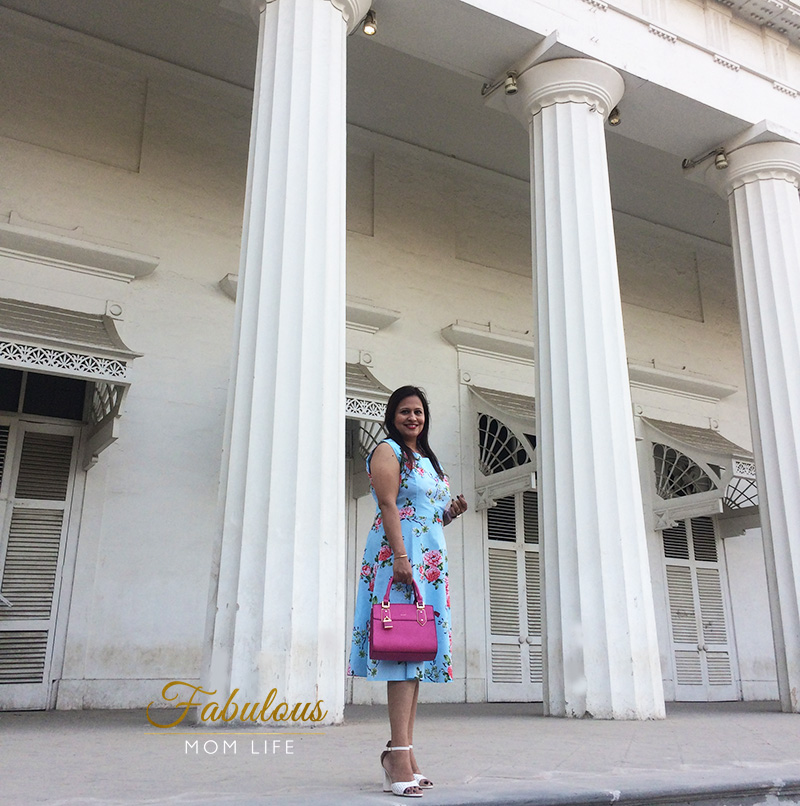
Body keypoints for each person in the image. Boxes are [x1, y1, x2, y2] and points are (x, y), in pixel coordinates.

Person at [348, 386, 468, 798]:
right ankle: (397, 755)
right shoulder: (387, 451)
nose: (412, 418)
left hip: (427, 562)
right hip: (399, 561)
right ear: (392, 415)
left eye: (418, 412)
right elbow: (388, 505)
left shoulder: (427, 459)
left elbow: (426, 515)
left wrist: (448, 514)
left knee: (414, 655)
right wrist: (400, 557)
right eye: (404, 411)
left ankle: (404, 752)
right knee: (400, 654)